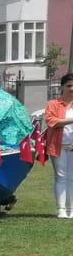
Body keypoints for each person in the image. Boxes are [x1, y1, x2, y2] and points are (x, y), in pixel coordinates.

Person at [45, 74, 73, 218]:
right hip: (58, 145)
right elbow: (51, 121)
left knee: (72, 177)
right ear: (62, 86)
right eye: (68, 85)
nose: (72, 88)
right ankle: (61, 209)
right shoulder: (53, 104)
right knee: (60, 176)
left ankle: (71, 209)